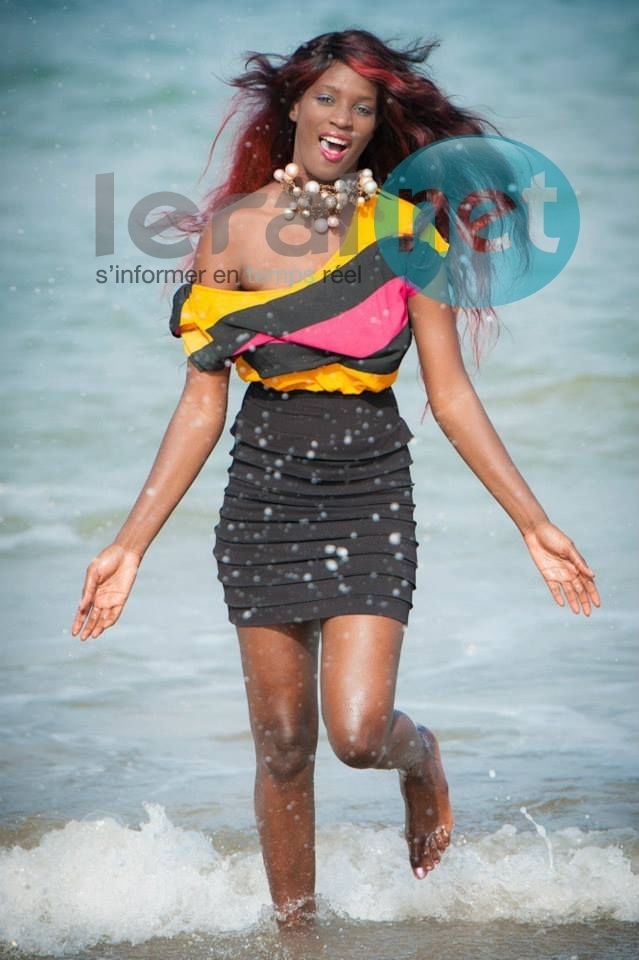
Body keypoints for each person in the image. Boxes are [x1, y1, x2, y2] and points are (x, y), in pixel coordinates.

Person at [72, 30, 600, 928]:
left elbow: (453, 397)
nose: (343, 120)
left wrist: (533, 524)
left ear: (376, 124)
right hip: (261, 498)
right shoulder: (230, 231)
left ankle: (419, 757)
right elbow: (201, 407)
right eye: (327, 100)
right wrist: (128, 545)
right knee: (282, 747)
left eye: (362, 107)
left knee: (356, 736)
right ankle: (298, 938)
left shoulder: (406, 235)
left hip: (370, 494)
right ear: (291, 107)